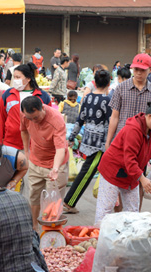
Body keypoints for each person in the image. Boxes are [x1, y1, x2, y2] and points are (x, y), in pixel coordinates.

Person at [95, 102, 151, 225]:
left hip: (131, 174)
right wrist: (142, 178)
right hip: (112, 171)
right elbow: (129, 159)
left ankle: (129, 239)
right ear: (149, 116)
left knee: (133, 212)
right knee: (105, 210)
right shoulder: (133, 130)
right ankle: (99, 238)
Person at [64, 70, 112, 214]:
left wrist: (72, 137)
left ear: (94, 83)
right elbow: (110, 123)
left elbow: (80, 119)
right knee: (87, 172)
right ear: (109, 83)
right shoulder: (108, 100)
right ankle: (69, 202)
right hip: (100, 143)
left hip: (88, 140)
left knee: (91, 170)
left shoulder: (87, 98)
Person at [20, 96, 69, 230]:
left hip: (55, 164)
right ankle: (34, 228)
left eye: (36, 118)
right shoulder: (25, 115)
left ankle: (50, 232)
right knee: (34, 196)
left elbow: (60, 148)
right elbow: (23, 131)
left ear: (42, 108)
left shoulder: (56, 120)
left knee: (53, 202)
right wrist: (26, 151)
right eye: (30, 118)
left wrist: (55, 168)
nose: (33, 121)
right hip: (36, 162)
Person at [106, 54, 151, 150]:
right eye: (136, 69)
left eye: (142, 70)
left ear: (150, 69)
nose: (139, 73)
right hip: (121, 139)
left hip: (142, 142)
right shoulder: (121, 88)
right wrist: (108, 142)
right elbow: (114, 117)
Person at [0, 63, 51, 150]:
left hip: (35, 146)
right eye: (14, 77)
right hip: (10, 144)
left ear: (28, 78)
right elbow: (1, 119)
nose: (15, 80)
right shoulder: (7, 94)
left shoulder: (43, 96)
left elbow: (48, 120)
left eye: (18, 77)